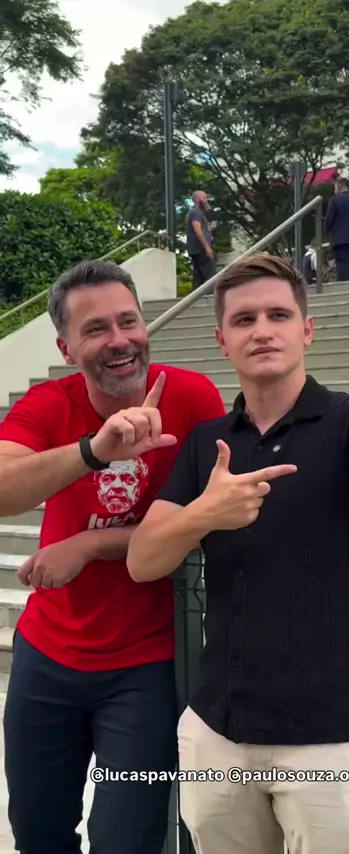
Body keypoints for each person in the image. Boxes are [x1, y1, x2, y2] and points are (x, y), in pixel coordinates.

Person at [126, 251, 349, 854]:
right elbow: (142, 560)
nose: (262, 330)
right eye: (243, 320)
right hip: (218, 734)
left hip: (331, 741)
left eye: (278, 315)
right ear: (221, 341)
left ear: (307, 330)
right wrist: (205, 514)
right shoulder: (207, 443)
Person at [0, 259, 225, 854]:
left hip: (146, 667)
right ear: (66, 348)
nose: (119, 340)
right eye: (96, 329)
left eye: (129, 321)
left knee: (127, 840)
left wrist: (92, 543)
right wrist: (93, 451)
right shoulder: (49, 404)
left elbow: (209, 517)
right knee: (38, 832)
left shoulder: (191, 397)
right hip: (47, 657)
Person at [324, 178, 349, 281]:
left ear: (339, 186)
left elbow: (329, 219)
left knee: (342, 263)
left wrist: (327, 229)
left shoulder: (334, 200)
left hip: (340, 238)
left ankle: (344, 284)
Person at [186, 190, 217, 290]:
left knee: (198, 277)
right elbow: (197, 230)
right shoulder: (196, 212)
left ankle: (195, 297)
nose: (206, 200)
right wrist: (207, 247)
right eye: (204, 198)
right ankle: (209, 296)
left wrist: (207, 230)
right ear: (197, 200)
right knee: (210, 276)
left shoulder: (194, 213)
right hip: (201, 249)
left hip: (195, 250)